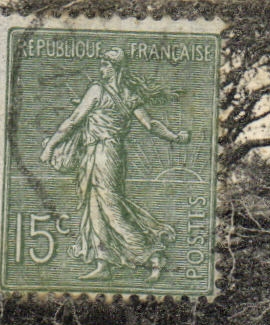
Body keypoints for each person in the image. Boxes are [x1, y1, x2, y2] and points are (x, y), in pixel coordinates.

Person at [39, 46, 190, 281]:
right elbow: (151, 124)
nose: (101, 70)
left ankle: (152, 254)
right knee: (95, 205)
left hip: (102, 153)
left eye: (105, 65)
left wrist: (50, 147)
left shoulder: (97, 91)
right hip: (109, 154)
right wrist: (175, 136)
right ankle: (104, 263)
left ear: (116, 68)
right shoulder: (129, 95)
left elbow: (73, 121)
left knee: (110, 207)